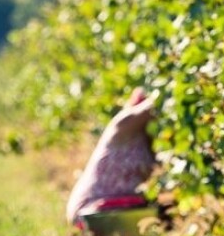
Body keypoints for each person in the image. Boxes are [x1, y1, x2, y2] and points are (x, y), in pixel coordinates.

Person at [66, 88, 157, 227]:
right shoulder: (122, 125)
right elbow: (154, 105)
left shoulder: (152, 146)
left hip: (119, 212)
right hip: (90, 211)